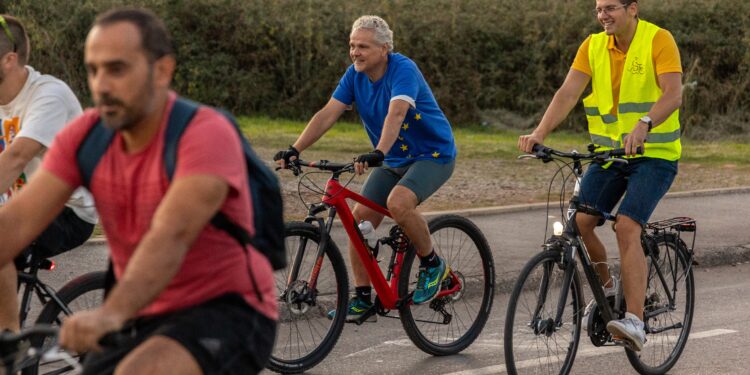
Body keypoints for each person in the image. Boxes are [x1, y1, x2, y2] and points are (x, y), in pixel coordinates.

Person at [0, 7, 277, 374]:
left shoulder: (204, 133)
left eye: (117, 69)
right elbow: (15, 224)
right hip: (139, 308)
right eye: (94, 70)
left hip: (225, 311)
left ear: (162, 70)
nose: (102, 85)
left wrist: (111, 313)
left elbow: (170, 237)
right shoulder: (85, 136)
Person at [518, 0, 682, 351]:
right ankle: (607, 291)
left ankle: (635, 321)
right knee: (579, 224)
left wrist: (645, 123)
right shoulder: (592, 46)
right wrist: (539, 134)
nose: (603, 15)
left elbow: (673, 93)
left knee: (626, 226)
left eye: (610, 8)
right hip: (610, 157)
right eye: (598, 9)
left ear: (632, 8)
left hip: (654, 156)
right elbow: (568, 93)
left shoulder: (658, 39)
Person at [274, 15, 457, 321]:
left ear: (384, 49)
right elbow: (327, 113)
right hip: (392, 160)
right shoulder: (354, 75)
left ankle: (432, 264)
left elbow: (396, 114)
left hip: (433, 154)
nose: (355, 52)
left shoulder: (403, 69)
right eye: (352, 46)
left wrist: (378, 152)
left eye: (363, 46)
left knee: (398, 202)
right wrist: (296, 148)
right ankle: (362, 299)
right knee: (360, 225)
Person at [0, 14, 98, 332]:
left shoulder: (47, 96)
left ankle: (8, 348)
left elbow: (17, 156)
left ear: (8, 60)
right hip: (23, 206)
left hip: (69, 211)